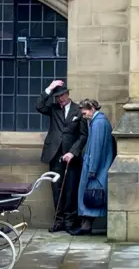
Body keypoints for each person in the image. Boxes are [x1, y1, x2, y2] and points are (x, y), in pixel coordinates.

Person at [36, 80, 88, 233]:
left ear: (68, 94)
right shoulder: (53, 109)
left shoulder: (78, 110)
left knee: (70, 189)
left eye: (62, 95)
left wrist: (73, 152)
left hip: (72, 156)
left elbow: (83, 135)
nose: (60, 99)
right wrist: (49, 88)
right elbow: (38, 105)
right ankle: (58, 221)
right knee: (56, 189)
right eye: (57, 96)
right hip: (55, 155)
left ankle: (70, 222)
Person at [69, 99, 115, 236]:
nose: (84, 116)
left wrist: (92, 169)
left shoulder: (99, 123)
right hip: (96, 166)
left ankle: (85, 226)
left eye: (85, 113)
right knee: (89, 196)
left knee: (90, 196)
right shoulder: (98, 121)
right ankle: (85, 225)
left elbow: (95, 148)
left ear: (92, 109)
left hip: (95, 167)